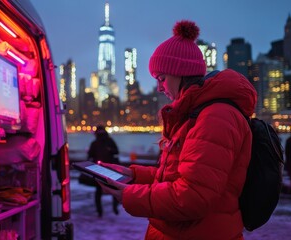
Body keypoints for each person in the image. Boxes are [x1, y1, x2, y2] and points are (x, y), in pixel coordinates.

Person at [98, 20, 257, 239]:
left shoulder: (215, 117)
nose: (159, 87)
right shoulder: (194, 115)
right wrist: (133, 175)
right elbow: (180, 177)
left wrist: (130, 195)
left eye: (162, 78)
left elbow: (193, 197)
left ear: (182, 73)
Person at [87, 125, 120, 217]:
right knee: (114, 189)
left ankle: (100, 212)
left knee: (98, 191)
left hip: (99, 170)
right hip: (110, 170)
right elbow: (116, 152)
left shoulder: (95, 143)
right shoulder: (109, 141)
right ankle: (114, 208)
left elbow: (89, 156)